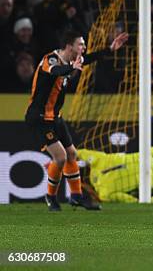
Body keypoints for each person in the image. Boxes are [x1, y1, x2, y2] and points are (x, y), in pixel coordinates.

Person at [25, 29, 128, 211]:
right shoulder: (52, 59)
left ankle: (76, 197)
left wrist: (109, 49)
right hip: (39, 118)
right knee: (60, 157)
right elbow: (56, 71)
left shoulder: (72, 61)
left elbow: (85, 60)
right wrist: (72, 68)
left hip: (55, 117)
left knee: (72, 154)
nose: (84, 47)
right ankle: (50, 197)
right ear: (69, 46)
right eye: (80, 44)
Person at [78, 147, 153, 203]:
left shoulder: (105, 195)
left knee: (143, 195)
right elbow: (77, 153)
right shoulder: (98, 160)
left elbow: (134, 201)